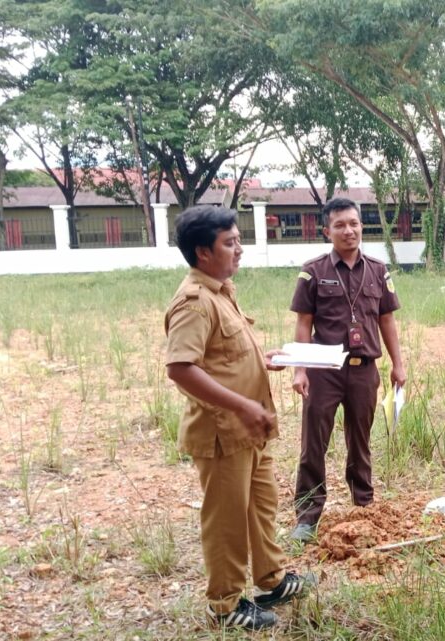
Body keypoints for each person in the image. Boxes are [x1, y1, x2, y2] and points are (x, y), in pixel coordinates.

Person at [164, 205, 314, 630]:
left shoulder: (220, 291)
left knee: (261, 507)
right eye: (230, 243)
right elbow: (181, 368)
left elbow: (221, 355)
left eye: (238, 241)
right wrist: (242, 405)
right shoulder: (193, 302)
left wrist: (261, 360)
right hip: (223, 431)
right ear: (202, 252)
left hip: (249, 431)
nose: (240, 250)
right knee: (227, 521)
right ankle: (225, 605)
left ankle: (272, 578)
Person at [289, 197, 406, 541]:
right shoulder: (313, 271)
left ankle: (364, 507)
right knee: (314, 443)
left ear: (361, 226)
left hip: (364, 369)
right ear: (327, 231)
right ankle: (307, 517)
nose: (348, 230)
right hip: (323, 371)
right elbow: (303, 323)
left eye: (354, 223)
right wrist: (300, 369)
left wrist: (399, 365)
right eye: (339, 225)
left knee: (361, 442)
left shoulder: (378, 270)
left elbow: (387, 321)